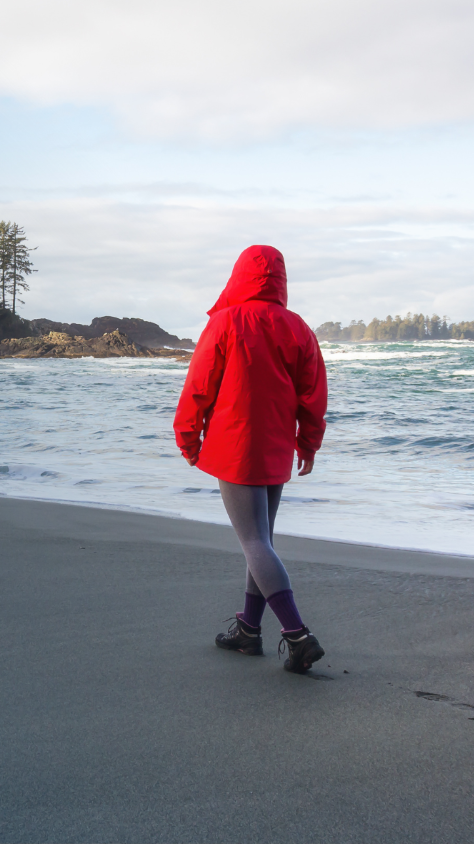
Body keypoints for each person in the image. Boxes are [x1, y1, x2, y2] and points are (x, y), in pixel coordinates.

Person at [173, 245, 329, 674]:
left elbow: (200, 383)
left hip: (235, 444)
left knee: (254, 542)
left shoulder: (226, 322)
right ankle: (248, 630)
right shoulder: (297, 327)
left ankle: (298, 635)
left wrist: (187, 436)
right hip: (276, 445)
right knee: (261, 539)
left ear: (240, 275)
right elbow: (313, 393)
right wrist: (308, 443)